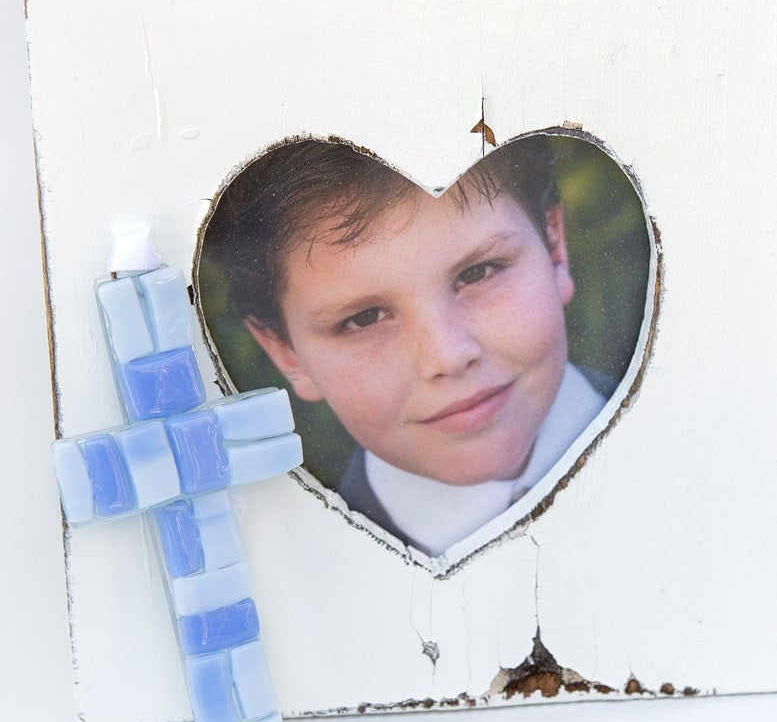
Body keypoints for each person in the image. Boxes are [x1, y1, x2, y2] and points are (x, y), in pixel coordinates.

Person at [201, 138, 614, 557]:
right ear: (287, 353)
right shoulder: (310, 579)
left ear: (554, 249)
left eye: (478, 272)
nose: (448, 357)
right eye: (364, 319)